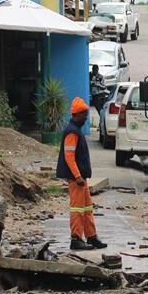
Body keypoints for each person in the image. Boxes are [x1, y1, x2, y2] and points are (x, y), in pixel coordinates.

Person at [55, 97, 107, 250]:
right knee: (78, 209)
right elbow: (69, 156)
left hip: (80, 178)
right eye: (84, 114)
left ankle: (91, 237)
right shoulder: (72, 132)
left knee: (86, 208)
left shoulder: (75, 130)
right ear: (77, 114)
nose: (86, 117)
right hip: (76, 178)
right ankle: (76, 238)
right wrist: (77, 176)